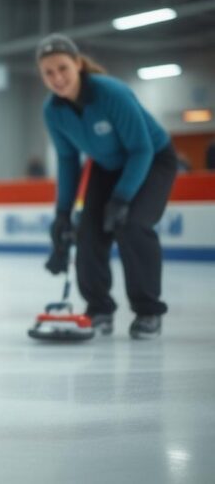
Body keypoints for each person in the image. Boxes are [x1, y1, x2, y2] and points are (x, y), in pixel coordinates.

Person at [38, 33, 178, 339]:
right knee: (86, 231)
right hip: (106, 166)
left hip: (152, 160)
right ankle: (99, 308)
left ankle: (147, 311)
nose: (57, 78)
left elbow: (141, 149)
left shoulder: (111, 93)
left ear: (77, 64)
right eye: (48, 72)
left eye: (62, 68)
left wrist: (122, 197)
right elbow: (67, 161)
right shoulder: (53, 111)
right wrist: (62, 213)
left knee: (132, 225)